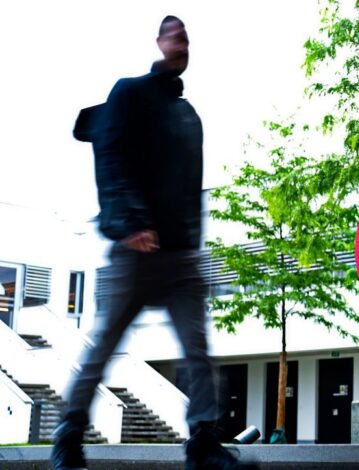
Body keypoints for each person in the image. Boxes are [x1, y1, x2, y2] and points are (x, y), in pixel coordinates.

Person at [52, 15, 257, 470]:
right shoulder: (130, 92)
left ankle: (203, 444)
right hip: (135, 252)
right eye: (175, 36)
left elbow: (188, 188)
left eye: (187, 38)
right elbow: (109, 156)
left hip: (181, 258)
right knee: (105, 344)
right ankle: (68, 435)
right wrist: (130, 222)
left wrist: (192, 243)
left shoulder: (188, 115)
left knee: (198, 349)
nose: (182, 44)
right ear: (160, 42)